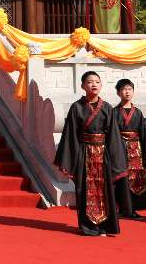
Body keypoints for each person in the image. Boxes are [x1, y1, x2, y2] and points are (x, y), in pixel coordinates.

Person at [54, 71, 127, 236]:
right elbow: (71, 135)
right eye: (89, 81)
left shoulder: (107, 108)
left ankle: (105, 226)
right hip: (84, 153)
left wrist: (115, 160)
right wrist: (73, 159)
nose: (94, 84)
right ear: (82, 86)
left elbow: (113, 136)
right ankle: (88, 227)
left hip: (103, 155)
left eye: (97, 81)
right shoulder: (76, 107)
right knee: (84, 190)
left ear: (101, 85)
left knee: (105, 190)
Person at [112, 78, 146, 219]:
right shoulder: (113, 112)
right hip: (119, 148)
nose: (127, 92)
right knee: (121, 177)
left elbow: (143, 133)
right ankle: (123, 208)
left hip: (136, 149)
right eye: (124, 89)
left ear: (133, 92)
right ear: (118, 93)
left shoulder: (138, 112)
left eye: (129, 89)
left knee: (136, 178)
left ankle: (133, 208)